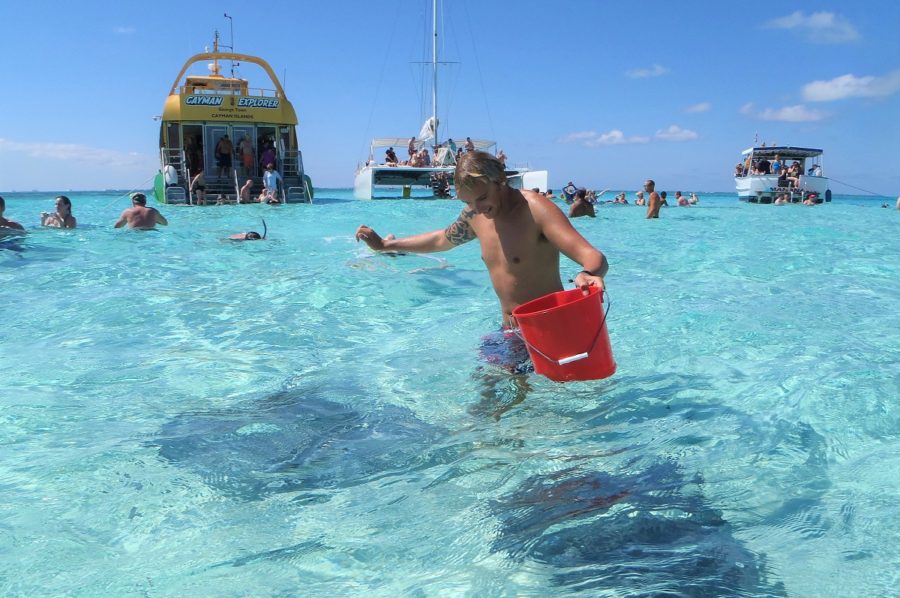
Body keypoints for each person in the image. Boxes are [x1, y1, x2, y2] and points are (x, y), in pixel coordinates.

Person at [355, 150, 608, 331]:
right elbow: (442, 239)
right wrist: (386, 245)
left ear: (501, 182)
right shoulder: (475, 215)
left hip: (549, 329)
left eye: (482, 197)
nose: (478, 208)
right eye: (468, 202)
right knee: (488, 394)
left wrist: (588, 273)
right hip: (510, 330)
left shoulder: (535, 210)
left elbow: (593, 257)